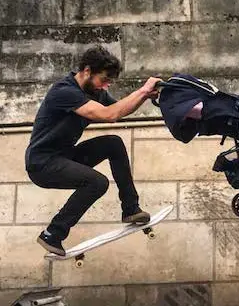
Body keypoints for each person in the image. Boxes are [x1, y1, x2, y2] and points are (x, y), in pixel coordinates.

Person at [24, 45, 161, 256]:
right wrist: (142, 90)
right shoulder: (64, 91)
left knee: (113, 143)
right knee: (97, 182)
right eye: (104, 79)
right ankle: (53, 234)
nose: (105, 87)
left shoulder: (94, 91)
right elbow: (108, 115)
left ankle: (130, 209)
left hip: (66, 156)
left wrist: (146, 96)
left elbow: (118, 111)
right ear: (87, 71)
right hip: (42, 164)